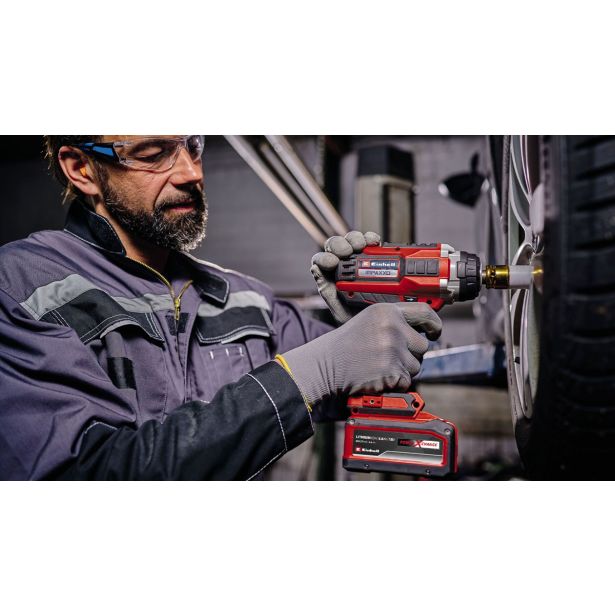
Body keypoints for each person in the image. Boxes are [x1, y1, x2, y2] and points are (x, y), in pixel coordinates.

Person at [0, 135, 442, 480]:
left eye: (192, 146)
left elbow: (382, 377)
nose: (191, 172)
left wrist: (369, 318)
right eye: (153, 154)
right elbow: (93, 475)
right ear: (81, 168)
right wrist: (305, 377)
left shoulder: (246, 299)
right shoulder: (20, 288)